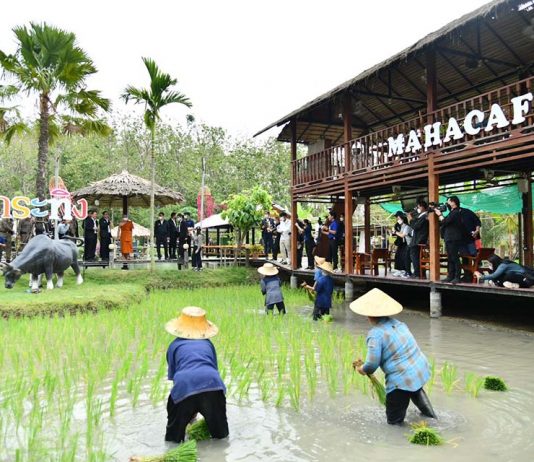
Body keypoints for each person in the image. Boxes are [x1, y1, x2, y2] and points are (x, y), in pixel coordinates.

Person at [351, 288, 436, 425]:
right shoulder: (399, 324)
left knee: (394, 423)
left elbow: (371, 365)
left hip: (401, 379)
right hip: (418, 369)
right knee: (415, 390)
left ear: (369, 315)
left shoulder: (375, 334)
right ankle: (433, 420)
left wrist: (361, 369)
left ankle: (398, 436)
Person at [164, 306, 229, 443]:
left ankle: (173, 448)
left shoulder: (174, 346)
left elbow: (176, 379)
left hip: (185, 385)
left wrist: (189, 413)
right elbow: (212, 370)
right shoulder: (208, 344)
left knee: (173, 438)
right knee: (221, 436)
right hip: (213, 384)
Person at [434, 196, 469, 283]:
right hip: (449, 238)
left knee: (454, 257)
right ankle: (450, 276)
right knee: (450, 258)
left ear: (453, 202)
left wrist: (440, 214)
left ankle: (457, 276)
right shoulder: (452, 212)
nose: (447, 204)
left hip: (453, 238)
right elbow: (444, 222)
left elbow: (445, 221)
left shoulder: (456, 212)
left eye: (448, 202)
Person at [408, 200, 429, 279]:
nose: (417, 209)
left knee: (414, 256)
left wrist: (410, 219)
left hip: (419, 239)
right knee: (417, 256)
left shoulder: (425, 216)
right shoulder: (421, 216)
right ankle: (420, 272)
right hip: (417, 239)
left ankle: (417, 273)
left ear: (422, 207)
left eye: (418, 207)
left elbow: (416, 226)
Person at [392, 212, 412, 276]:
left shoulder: (407, 226)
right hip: (401, 243)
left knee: (405, 257)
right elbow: (400, 233)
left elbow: (402, 235)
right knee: (398, 256)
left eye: (398, 218)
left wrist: (395, 232)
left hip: (407, 244)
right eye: (397, 218)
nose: (397, 220)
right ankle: (399, 270)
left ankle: (406, 271)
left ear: (402, 218)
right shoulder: (400, 225)